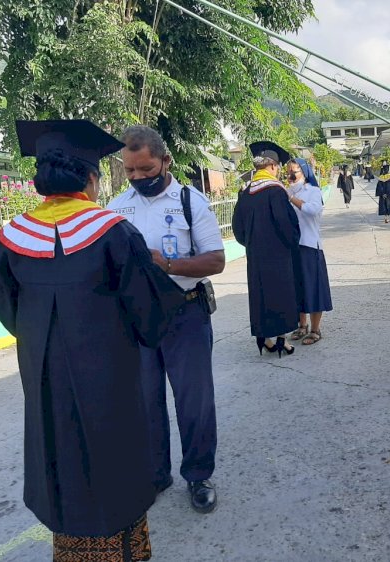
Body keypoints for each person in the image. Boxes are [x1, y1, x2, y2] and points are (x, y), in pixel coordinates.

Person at [0, 120, 184, 562]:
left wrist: (43, 338)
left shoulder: (11, 238)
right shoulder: (112, 233)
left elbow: (4, 307)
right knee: (114, 457)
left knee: (62, 460)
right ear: (91, 179)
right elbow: (150, 315)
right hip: (109, 378)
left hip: (45, 379)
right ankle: (124, 552)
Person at [108, 125, 225, 513]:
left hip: (185, 311)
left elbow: (216, 260)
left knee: (194, 400)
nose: (139, 178)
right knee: (145, 401)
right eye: (131, 171)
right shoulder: (115, 207)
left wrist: (167, 263)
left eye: (146, 169)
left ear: (165, 160)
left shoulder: (192, 202)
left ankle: (198, 475)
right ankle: (156, 474)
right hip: (137, 320)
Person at [232, 141, 301, 357]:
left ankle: (266, 340)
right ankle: (282, 341)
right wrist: (291, 243)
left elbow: (237, 228)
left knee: (261, 295)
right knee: (280, 295)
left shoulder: (245, 192)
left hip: (255, 256)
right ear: (272, 166)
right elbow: (286, 224)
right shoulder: (275, 191)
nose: (279, 170)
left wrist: (252, 245)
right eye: (278, 167)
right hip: (278, 256)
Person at [285, 158, 333, 346]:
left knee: (314, 289)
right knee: (297, 288)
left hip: (309, 245)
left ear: (304, 172)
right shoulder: (286, 192)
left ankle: (315, 329)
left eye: (294, 171)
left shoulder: (313, 191)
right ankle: (301, 325)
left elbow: (312, 210)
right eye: (287, 171)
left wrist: (290, 198)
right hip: (292, 247)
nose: (289, 175)